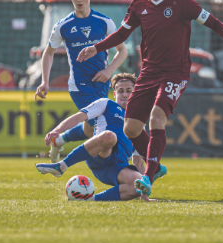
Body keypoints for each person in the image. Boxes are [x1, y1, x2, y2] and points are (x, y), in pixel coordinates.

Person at [77, 0, 223, 197]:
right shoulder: (138, 4)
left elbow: (213, 22)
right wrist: (96, 48)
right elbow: (122, 33)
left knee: (157, 118)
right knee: (131, 128)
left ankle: (148, 176)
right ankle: (156, 168)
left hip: (175, 72)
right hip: (149, 72)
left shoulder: (181, 2)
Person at [34, 0, 128, 163]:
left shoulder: (104, 22)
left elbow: (122, 51)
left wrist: (109, 71)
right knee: (104, 121)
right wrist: (45, 81)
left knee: (89, 127)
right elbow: (49, 52)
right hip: (80, 85)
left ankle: (59, 140)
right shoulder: (63, 25)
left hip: (101, 82)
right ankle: (107, 165)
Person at [35, 73, 167, 201]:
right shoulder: (106, 104)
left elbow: (138, 162)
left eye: (129, 90)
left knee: (137, 185)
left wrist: (144, 195)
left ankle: (90, 199)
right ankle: (61, 166)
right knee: (110, 136)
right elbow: (79, 117)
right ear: (115, 94)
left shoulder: (138, 123)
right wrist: (57, 130)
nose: (125, 94)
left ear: (135, 93)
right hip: (100, 154)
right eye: (121, 91)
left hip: (117, 167)